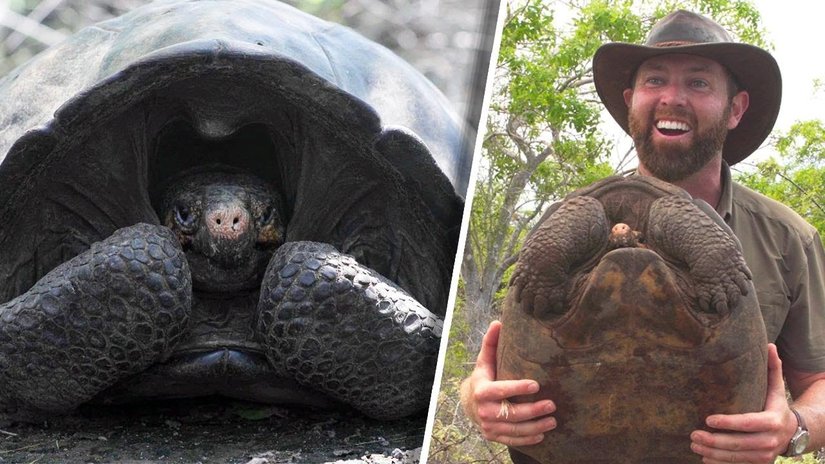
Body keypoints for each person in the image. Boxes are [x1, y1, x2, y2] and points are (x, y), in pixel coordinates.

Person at [460, 10, 825, 464]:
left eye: (698, 83)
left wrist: (795, 429)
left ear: (736, 108)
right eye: (655, 81)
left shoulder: (787, 239)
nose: (672, 98)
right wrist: (474, 396)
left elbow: (819, 380)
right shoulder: (569, 222)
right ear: (632, 100)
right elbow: (498, 357)